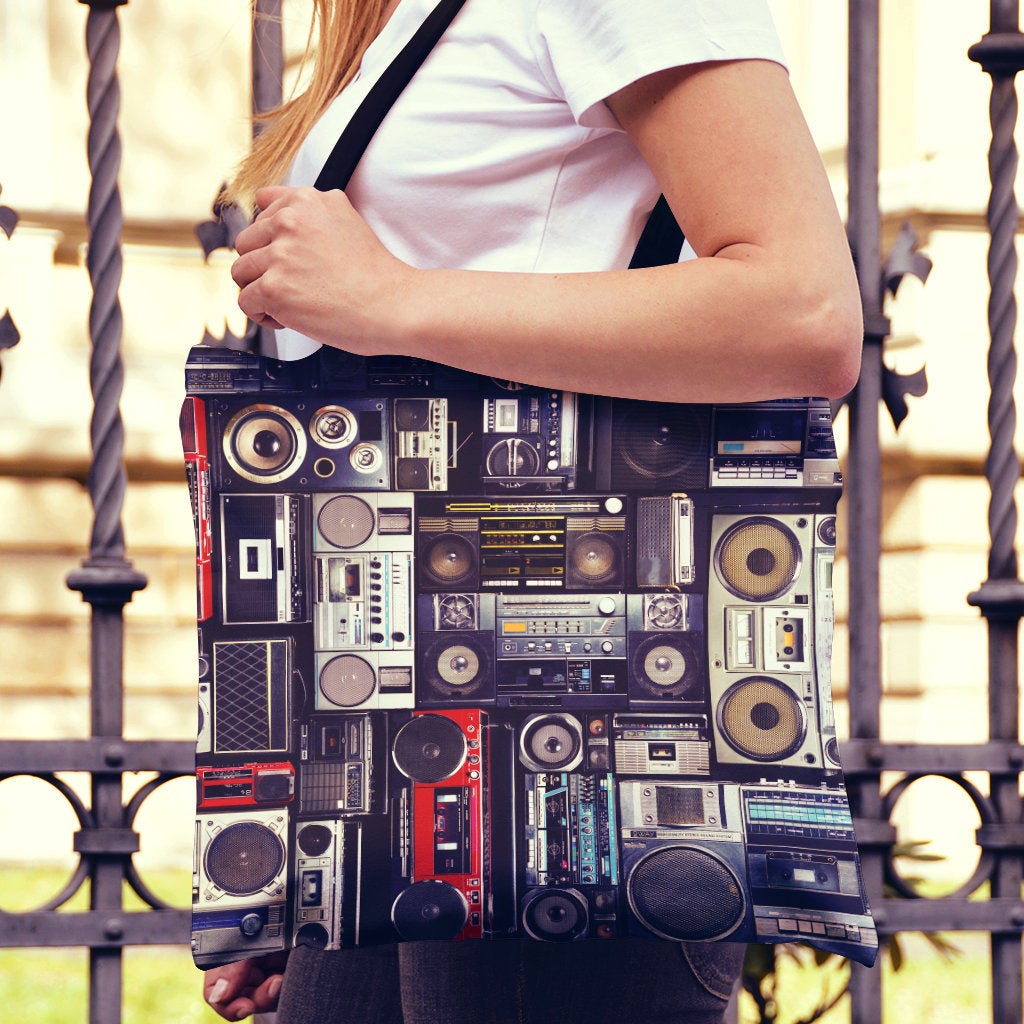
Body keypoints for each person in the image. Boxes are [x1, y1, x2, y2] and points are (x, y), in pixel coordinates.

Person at [201, 0, 863, 1020]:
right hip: (398, 776)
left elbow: (804, 310)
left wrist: (391, 298)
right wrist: (321, 852)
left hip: (562, 766)